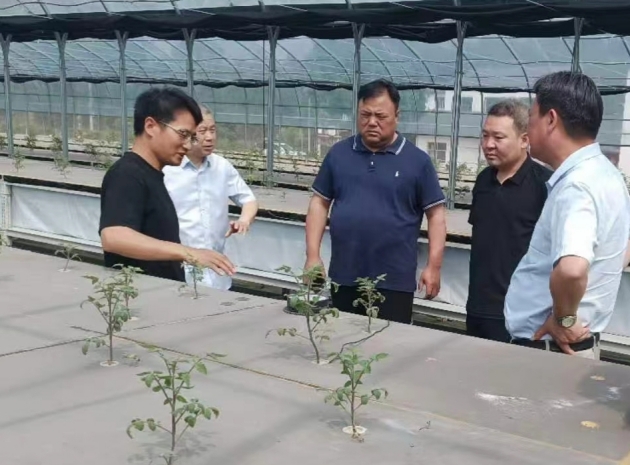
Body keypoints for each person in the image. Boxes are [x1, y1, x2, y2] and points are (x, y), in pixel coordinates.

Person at [504, 71, 630, 359]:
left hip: (549, 351)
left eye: (531, 118)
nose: (528, 130)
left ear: (551, 119)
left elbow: (572, 270)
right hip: (578, 346)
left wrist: (564, 319)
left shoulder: (576, 186)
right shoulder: (607, 175)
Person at [305, 79, 447, 324]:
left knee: (390, 341)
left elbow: (436, 215)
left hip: (394, 280)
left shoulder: (417, 161)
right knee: (343, 337)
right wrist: (312, 256)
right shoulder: (339, 154)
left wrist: (434, 266)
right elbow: (319, 203)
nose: (372, 122)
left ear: (397, 116)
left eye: (380, 116)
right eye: (365, 115)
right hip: (345, 275)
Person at [99, 87, 236, 282]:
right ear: (151, 126)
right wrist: (188, 252)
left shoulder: (152, 175)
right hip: (142, 294)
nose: (187, 145)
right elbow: (114, 237)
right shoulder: (127, 174)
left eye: (191, 137)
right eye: (182, 134)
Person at [466, 100, 552, 343]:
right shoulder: (483, 180)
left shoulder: (544, 185)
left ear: (524, 140)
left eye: (498, 137)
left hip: (522, 313)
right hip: (478, 307)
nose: (488, 144)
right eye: (485, 136)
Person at [163, 106, 258, 290]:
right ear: (187, 134)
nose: (209, 137)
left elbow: (249, 200)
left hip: (218, 273)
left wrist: (244, 220)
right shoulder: (167, 170)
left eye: (213, 130)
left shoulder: (222, 167)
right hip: (179, 271)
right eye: (202, 131)